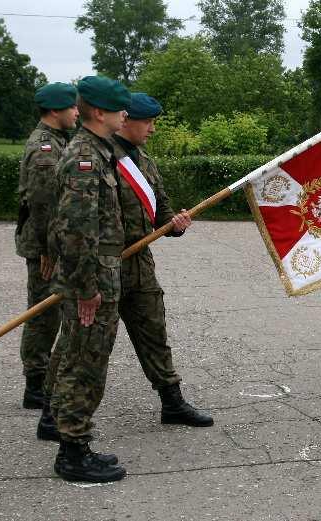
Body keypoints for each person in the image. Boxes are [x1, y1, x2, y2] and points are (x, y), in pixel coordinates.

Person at [46, 75, 132, 482]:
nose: (125, 115)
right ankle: (73, 454)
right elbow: (76, 230)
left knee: (81, 361)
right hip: (91, 282)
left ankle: (75, 443)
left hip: (97, 277)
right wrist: (86, 290)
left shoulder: (97, 151)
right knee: (84, 365)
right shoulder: (85, 157)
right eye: (119, 108)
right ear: (100, 112)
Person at [109, 93, 213, 427]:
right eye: (148, 122)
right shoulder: (101, 157)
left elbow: (162, 213)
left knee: (154, 334)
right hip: (104, 266)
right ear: (126, 120)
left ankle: (172, 403)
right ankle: (55, 414)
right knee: (87, 346)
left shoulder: (145, 162)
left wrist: (176, 224)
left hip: (139, 265)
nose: (153, 129)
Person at [14, 83, 79, 409]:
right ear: (55, 111)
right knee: (43, 313)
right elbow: (42, 204)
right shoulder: (44, 148)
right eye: (72, 107)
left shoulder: (58, 141)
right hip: (44, 246)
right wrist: (47, 250)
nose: (77, 112)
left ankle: (46, 378)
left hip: (53, 243)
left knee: (52, 311)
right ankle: (35, 385)